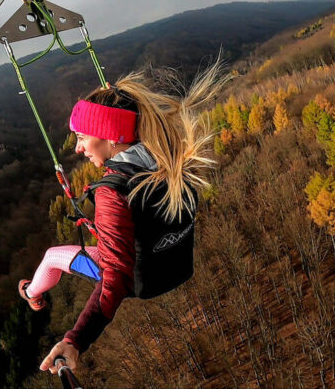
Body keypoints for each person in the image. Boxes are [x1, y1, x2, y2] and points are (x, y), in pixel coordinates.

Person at [17, 68, 221, 375]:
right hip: (174, 264)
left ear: (112, 137)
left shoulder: (115, 192)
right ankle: (34, 291)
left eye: (83, 137)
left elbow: (115, 277)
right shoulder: (167, 156)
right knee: (88, 250)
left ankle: (31, 293)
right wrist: (119, 101)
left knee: (51, 257)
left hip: (141, 277)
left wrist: (75, 340)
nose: (78, 148)